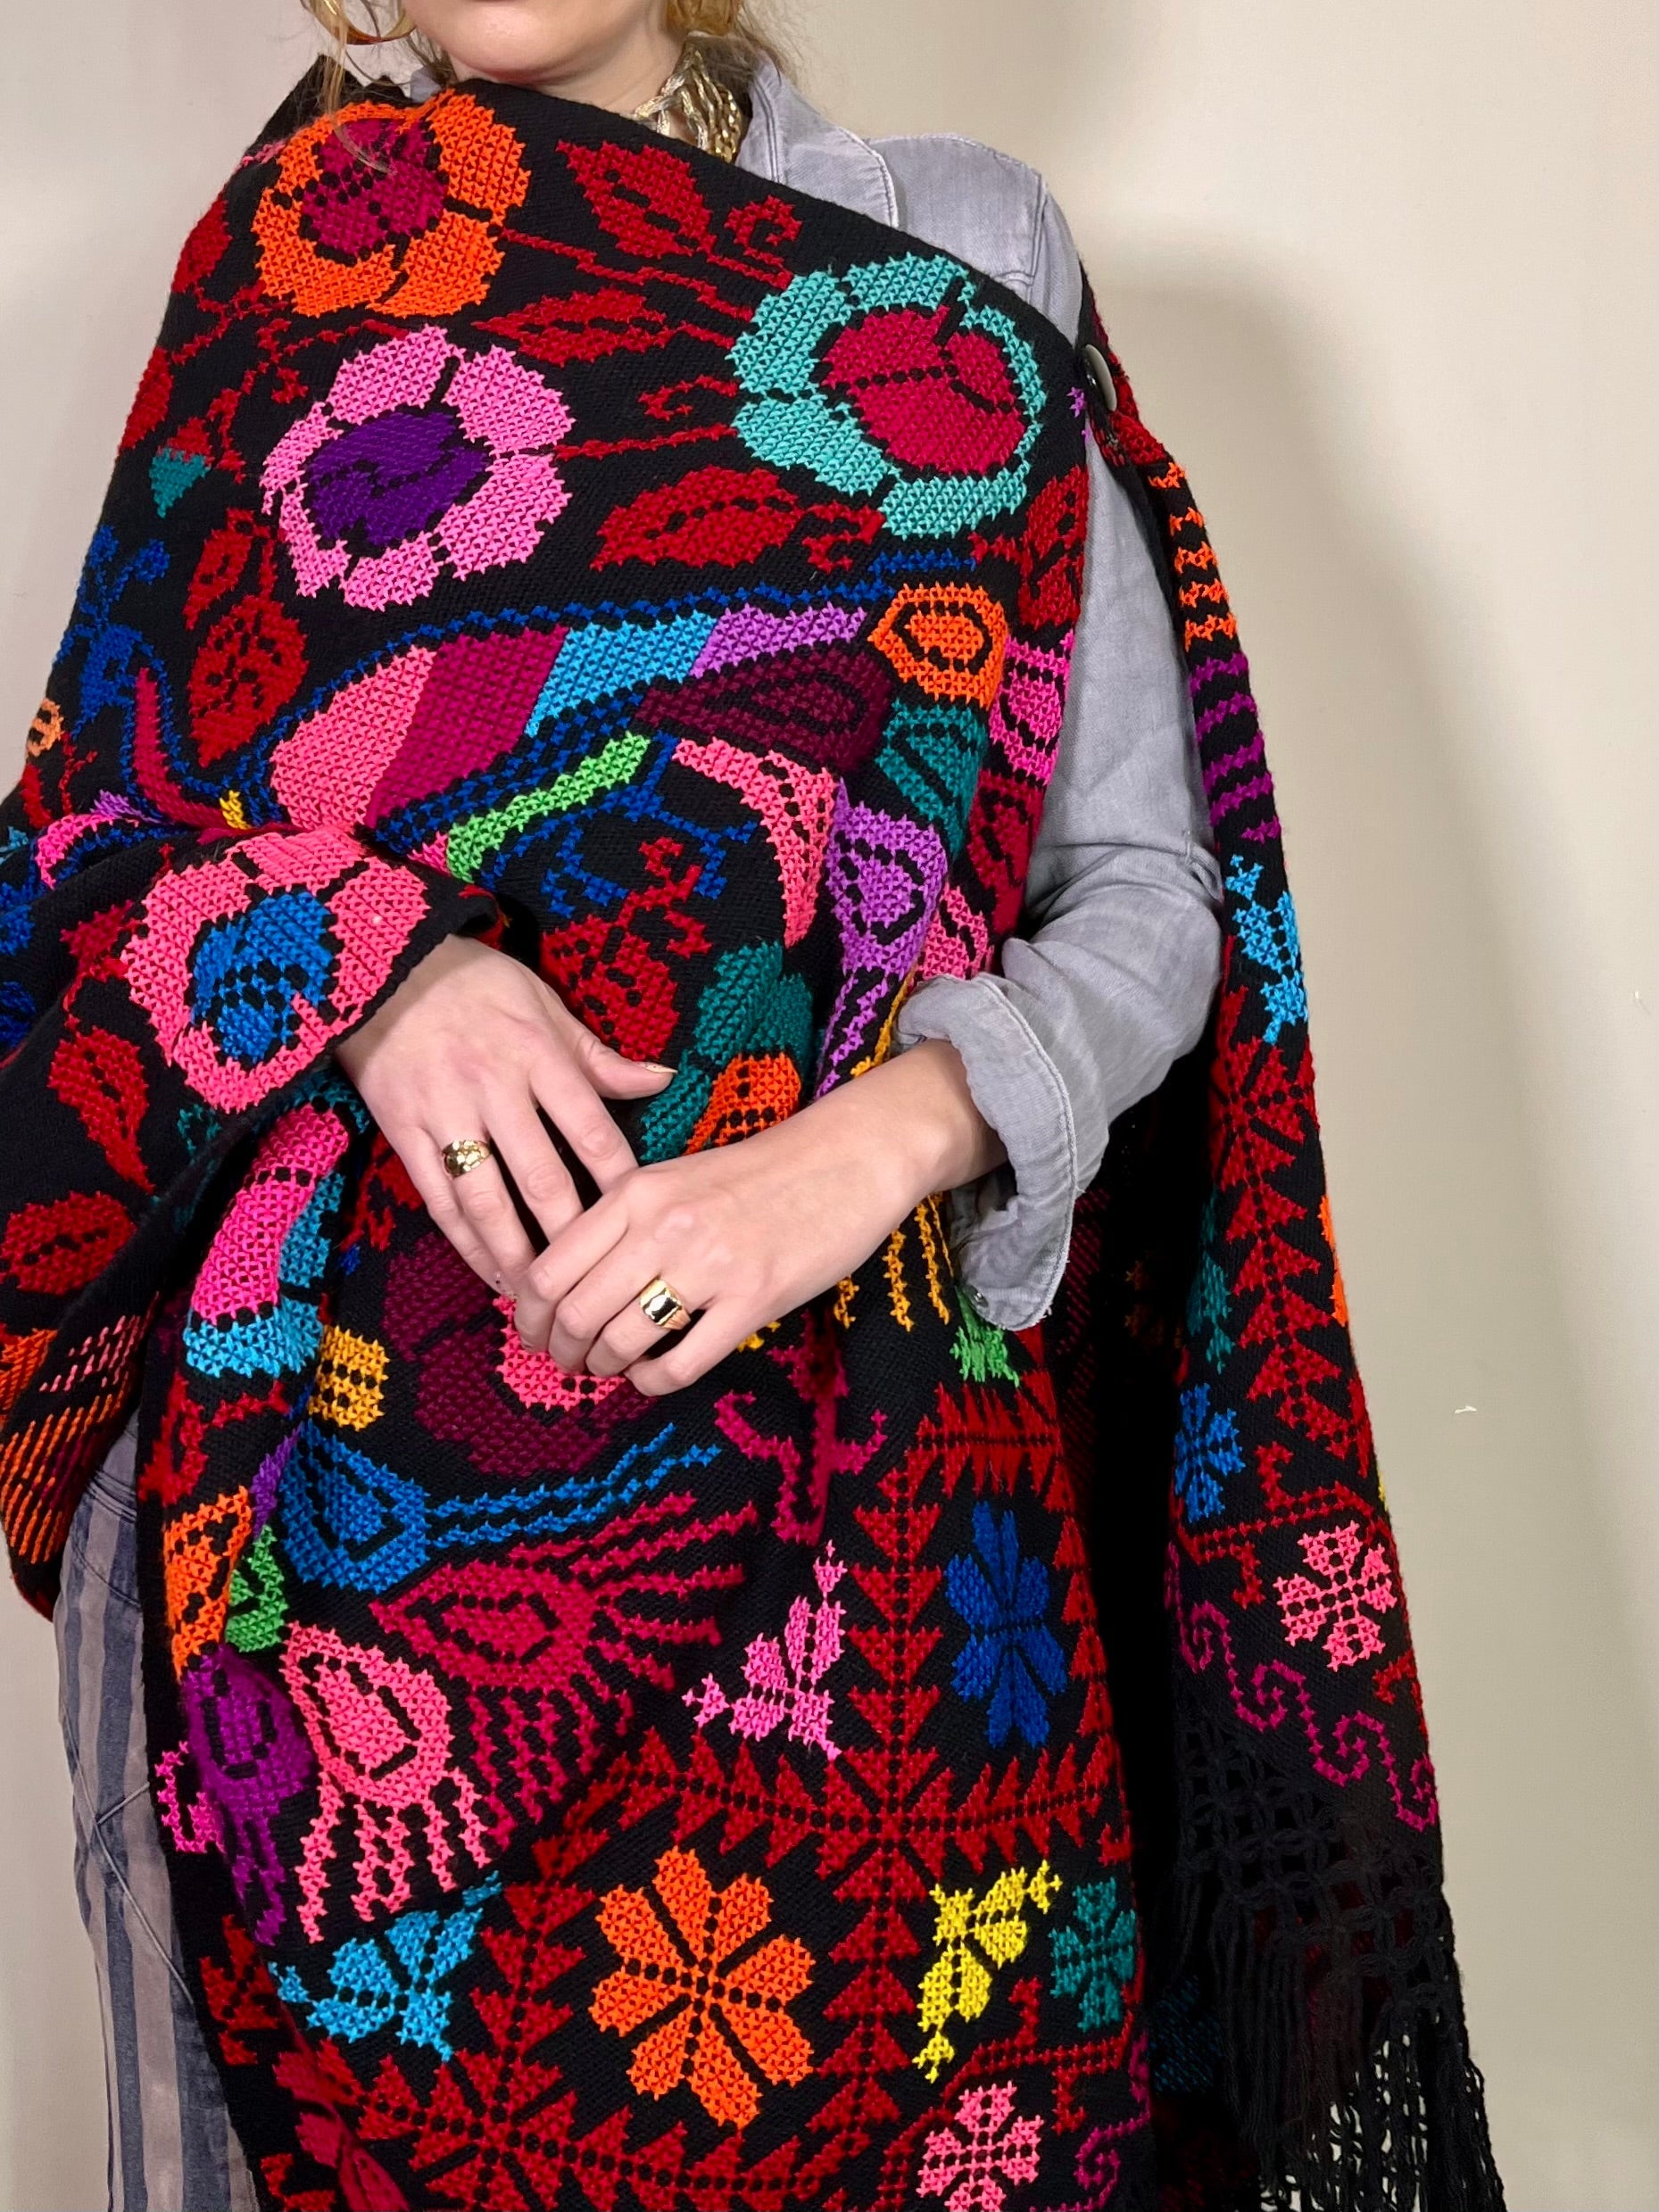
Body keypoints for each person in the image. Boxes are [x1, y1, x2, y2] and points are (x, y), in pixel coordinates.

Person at [7, 4, 1501, 2208]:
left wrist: (869, 1147)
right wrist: (380, 974)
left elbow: (1147, 892)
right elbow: (88, 840)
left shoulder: (955, 257)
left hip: (864, 1528)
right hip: (312, 1572)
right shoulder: (289, 267)